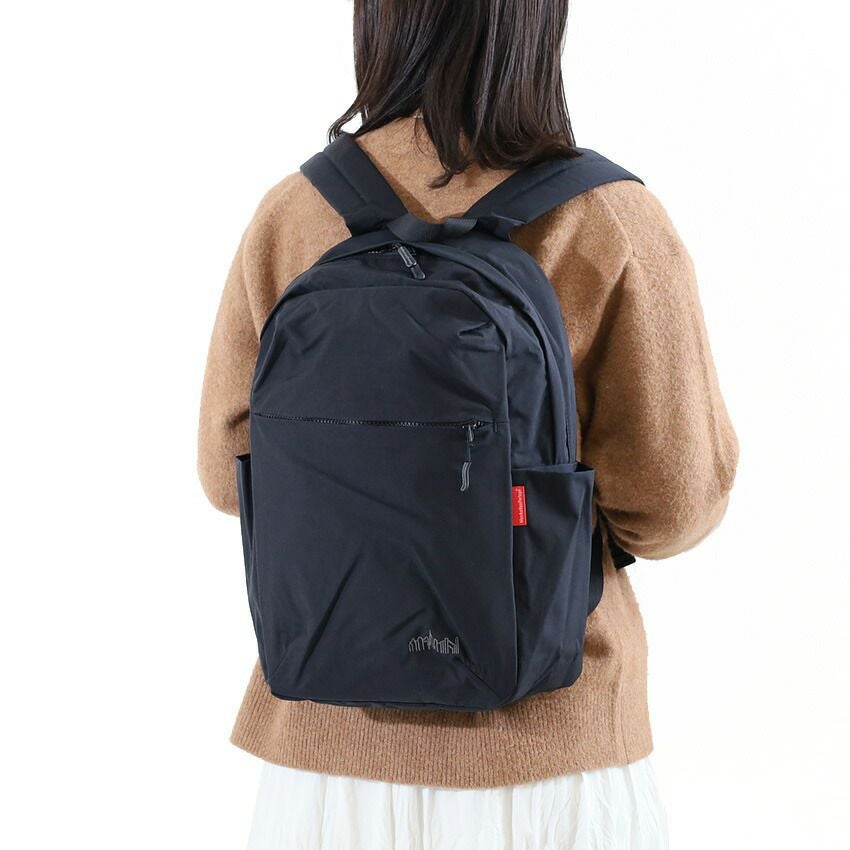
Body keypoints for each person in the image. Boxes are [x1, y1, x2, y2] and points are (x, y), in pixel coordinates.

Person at [197, 1, 739, 847]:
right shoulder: (610, 218)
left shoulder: (295, 210)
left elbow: (229, 474)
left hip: (324, 756)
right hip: (549, 755)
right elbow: (673, 505)